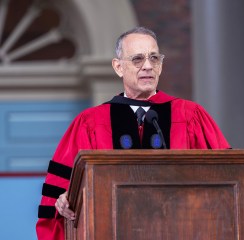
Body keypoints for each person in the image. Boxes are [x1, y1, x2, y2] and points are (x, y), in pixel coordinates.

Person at [36, 26, 230, 239]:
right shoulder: (89, 123)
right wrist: (63, 200)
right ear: (118, 67)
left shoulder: (191, 115)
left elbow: (225, 179)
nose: (148, 66)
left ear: (161, 65)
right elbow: (59, 194)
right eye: (137, 59)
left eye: (154, 58)